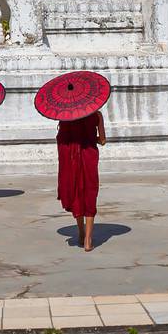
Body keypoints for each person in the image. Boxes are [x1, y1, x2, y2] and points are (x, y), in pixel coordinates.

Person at [56, 108, 105, 251]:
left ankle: (81, 232)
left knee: (77, 192)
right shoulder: (97, 115)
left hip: (71, 160)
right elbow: (102, 140)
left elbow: (62, 140)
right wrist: (90, 138)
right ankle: (88, 240)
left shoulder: (65, 115)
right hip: (89, 156)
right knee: (90, 193)